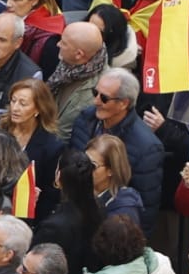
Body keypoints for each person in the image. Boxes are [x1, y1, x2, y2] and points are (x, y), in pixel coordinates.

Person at [66, 68, 162, 232]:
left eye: (104, 98)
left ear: (123, 103)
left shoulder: (146, 146)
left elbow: (146, 206)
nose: (96, 101)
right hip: (74, 215)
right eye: (95, 92)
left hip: (109, 228)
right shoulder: (85, 118)